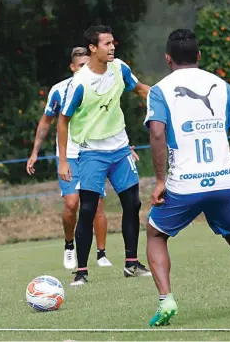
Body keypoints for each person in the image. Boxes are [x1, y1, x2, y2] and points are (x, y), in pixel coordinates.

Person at [144, 29, 230, 326]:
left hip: (184, 183)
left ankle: (166, 299)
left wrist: (159, 181)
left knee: (155, 233)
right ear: (199, 56)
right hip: (223, 180)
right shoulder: (221, 86)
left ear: (168, 59)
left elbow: (156, 132)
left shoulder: (160, 89)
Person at [58, 25, 152, 286]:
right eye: (106, 43)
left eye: (113, 43)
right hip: (92, 152)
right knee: (87, 209)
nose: (112, 47)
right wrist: (64, 160)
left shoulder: (119, 68)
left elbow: (140, 89)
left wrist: (163, 98)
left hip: (120, 149)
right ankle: (81, 271)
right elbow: (62, 121)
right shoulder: (79, 83)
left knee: (133, 204)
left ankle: (131, 264)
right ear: (92, 48)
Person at [27, 47, 113, 269]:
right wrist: (35, 152)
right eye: (81, 65)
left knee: (97, 204)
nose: (85, 68)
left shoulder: (101, 85)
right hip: (69, 155)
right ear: (73, 67)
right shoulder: (59, 90)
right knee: (72, 203)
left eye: (88, 64)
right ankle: (69, 245)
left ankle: (101, 254)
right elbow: (46, 121)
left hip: (93, 152)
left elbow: (110, 118)